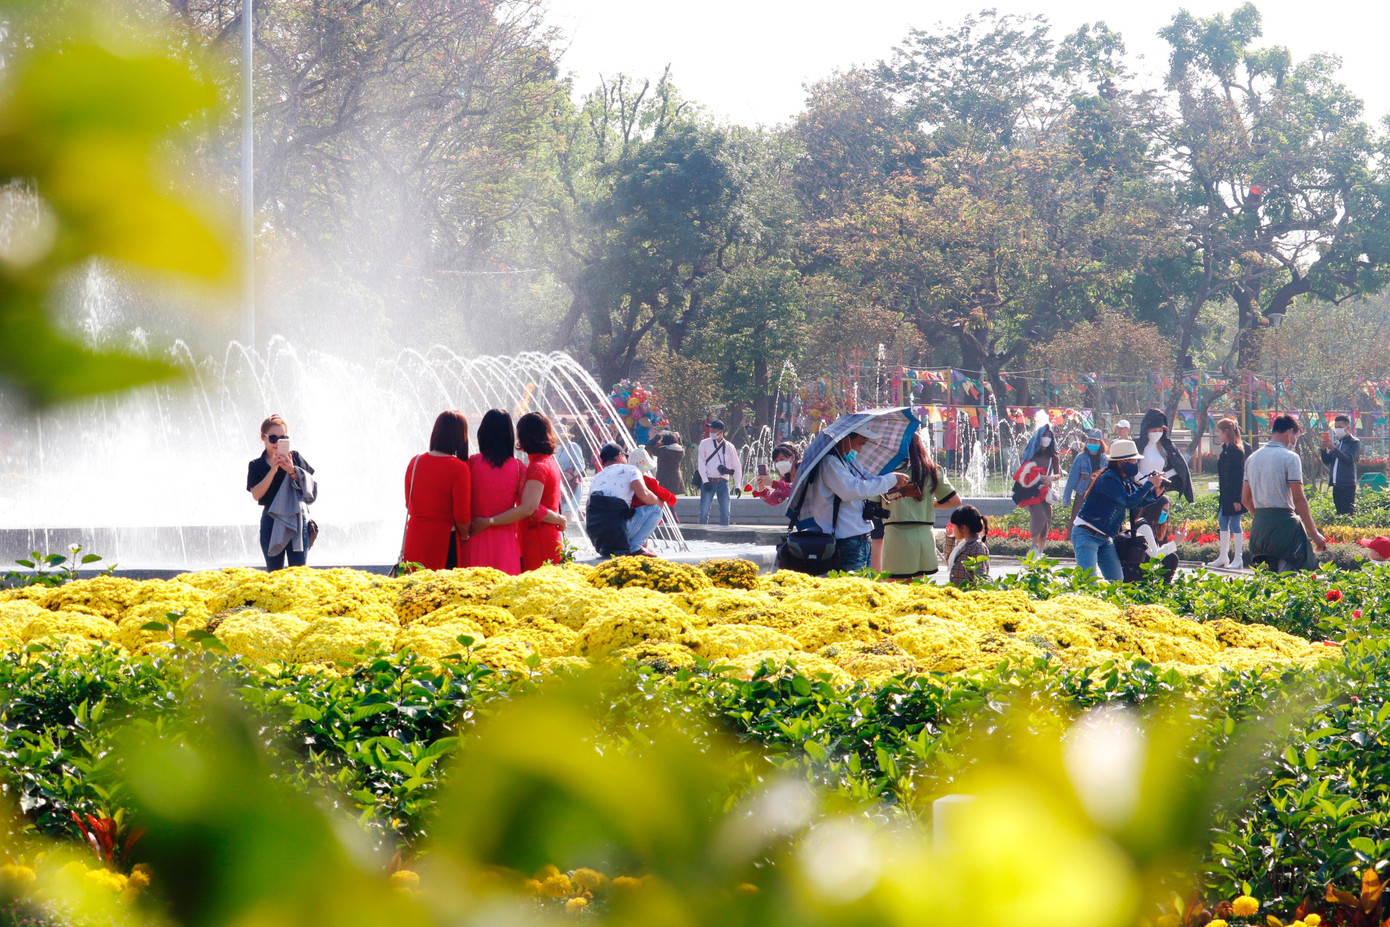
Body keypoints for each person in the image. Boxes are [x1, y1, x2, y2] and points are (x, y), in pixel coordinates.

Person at [797, 425, 912, 573]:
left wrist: (893, 485)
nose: (860, 450)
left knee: (864, 588)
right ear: (845, 439)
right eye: (860, 443)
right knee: (852, 591)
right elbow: (852, 490)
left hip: (860, 538)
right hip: (845, 540)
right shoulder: (830, 462)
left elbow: (868, 479)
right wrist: (890, 479)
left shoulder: (847, 462)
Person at [469, 412, 570, 572]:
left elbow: (530, 508)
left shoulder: (537, 467)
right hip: (539, 536)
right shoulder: (543, 463)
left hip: (537, 538)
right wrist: (558, 518)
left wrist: (559, 518)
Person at [1243, 414, 1327, 572]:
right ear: (1290, 432)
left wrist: (1263, 518)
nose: (1295, 441)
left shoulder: (1252, 459)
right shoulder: (1290, 458)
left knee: (1266, 584)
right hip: (1284, 530)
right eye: (1296, 436)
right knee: (1288, 585)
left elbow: (1245, 499)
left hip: (1259, 531)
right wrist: (1314, 533)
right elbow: (1299, 499)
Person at [1071, 439, 1163, 581]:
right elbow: (1128, 501)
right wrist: (1149, 483)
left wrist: (1156, 492)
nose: (1136, 465)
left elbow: (1137, 501)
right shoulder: (1109, 478)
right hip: (1086, 534)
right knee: (1087, 581)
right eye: (1134, 461)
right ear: (1121, 462)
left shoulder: (1124, 480)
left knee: (1116, 579)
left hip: (1105, 537)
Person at [880, 431, 961, 578]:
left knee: (895, 590)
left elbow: (874, 501)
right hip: (924, 536)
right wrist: (930, 503)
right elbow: (954, 500)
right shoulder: (932, 470)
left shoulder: (887, 472)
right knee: (918, 588)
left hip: (896, 536)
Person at [401, 411, 472, 571]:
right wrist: (464, 536)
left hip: (414, 537)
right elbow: (462, 515)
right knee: (439, 592)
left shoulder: (416, 461)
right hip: (442, 541)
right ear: (461, 436)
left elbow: (409, 502)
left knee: (413, 588)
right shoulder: (459, 468)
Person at [246, 414, 316, 571]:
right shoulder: (256, 465)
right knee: (274, 573)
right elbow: (257, 494)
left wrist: (292, 470)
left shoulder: (295, 458)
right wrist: (273, 470)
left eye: (282, 438)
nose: (277, 443)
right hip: (271, 521)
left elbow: (311, 489)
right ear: (263, 438)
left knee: (298, 574)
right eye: (273, 438)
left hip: (297, 519)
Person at [460, 409, 526, 574]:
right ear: (509, 435)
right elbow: (524, 509)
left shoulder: (472, 464)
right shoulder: (518, 468)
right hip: (506, 545)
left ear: (483, 433)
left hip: (474, 539)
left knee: (471, 595)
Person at [585, 443, 663, 556]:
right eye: (625, 457)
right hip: (618, 530)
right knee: (656, 509)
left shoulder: (597, 477)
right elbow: (644, 494)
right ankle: (635, 547)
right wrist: (659, 502)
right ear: (620, 456)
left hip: (599, 539)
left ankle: (625, 545)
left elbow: (588, 506)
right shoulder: (631, 470)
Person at [1012, 422, 1061, 556]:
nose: (1046, 438)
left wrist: (1051, 478)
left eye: (1049, 436)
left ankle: (1040, 550)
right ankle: (1033, 547)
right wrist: (1036, 475)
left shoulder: (1054, 456)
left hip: (1046, 491)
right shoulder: (1032, 454)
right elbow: (1024, 470)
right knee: (1038, 516)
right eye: (1044, 435)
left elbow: (1058, 474)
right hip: (1032, 490)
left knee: (1047, 519)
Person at [1209, 417, 1248, 569]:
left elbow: (1238, 476)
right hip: (1225, 495)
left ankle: (1238, 558)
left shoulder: (1237, 451)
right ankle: (1223, 556)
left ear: (1226, 432)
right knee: (1223, 522)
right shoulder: (1226, 450)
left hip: (1234, 495)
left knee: (1235, 524)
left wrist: (1237, 499)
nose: (1217, 434)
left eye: (1219, 431)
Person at [1135, 409, 1194, 501]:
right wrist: (1148, 484)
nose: (1157, 433)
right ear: (1146, 430)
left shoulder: (1165, 447)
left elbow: (1179, 467)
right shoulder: (1137, 445)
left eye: (1160, 430)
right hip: (1139, 493)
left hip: (1158, 493)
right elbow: (1132, 471)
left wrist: (1160, 480)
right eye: (1154, 431)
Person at [696, 419, 740, 526]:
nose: (711, 431)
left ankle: (724, 535)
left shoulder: (729, 446)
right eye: (710, 428)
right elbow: (701, 463)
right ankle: (701, 535)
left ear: (721, 432)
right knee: (704, 511)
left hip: (723, 482)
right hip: (708, 481)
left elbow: (737, 466)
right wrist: (705, 481)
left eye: (713, 429)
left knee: (725, 511)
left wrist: (737, 485)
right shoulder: (704, 443)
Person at [1062, 428, 1108, 522]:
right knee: (1077, 522)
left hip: (1099, 495)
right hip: (1082, 494)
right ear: (1086, 442)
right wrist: (1067, 500)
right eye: (1090, 441)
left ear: (1100, 443)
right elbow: (1072, 479)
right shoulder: (1080, 458)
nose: (1092, 444)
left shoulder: (1104, 459)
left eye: (1095, 442)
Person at [1321, 414, 1361, 515]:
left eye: (1340, 427)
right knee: (1339, 513)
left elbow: (1349, 460)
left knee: (1347, 513)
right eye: (1336, 427)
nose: (1337, 429)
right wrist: (1323, 449)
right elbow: (1327, 460)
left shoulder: (1354, 442)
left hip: (1347, 484)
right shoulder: (1337, 443)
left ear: (1347, 428)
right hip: (1336, 484)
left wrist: (1334, 449)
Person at [944, 505, 990, 589]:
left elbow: (980, 577)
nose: (953, 530)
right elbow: (949, 561)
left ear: (963, 527)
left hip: (969, 596)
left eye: (954, 527)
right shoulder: (963, 544)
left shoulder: (977, 546)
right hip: (959, 594)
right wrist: (950, 540)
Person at [652, 432, 686, 497]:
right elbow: (680, 446)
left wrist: (659, 435)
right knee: (671, 499)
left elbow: (649, 446)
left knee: (663, 499)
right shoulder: (681, 451)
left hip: (663, 478)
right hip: (676, 477)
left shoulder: (662, 451)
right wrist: (678, 438)